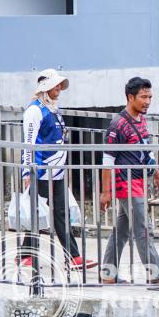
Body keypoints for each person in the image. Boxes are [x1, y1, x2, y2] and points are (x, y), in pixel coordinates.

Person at [19, 69, 96, 272]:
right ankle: (31, 255)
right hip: (41, 171)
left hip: (57, 172)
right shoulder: (35, 111)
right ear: (46, 87)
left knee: (59, 212)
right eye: (55, 86)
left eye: (59, 85)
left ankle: (69, 257)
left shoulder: (53, 109)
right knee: (40, 213)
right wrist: (27, 172)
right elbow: (28, 142)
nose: (59, 89)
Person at [99, 77, 159, 284]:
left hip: (138, 181)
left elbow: (147, 150)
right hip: (126, 184)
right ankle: (157, 277)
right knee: (144, 231)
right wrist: (106, 192)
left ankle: (108, 275)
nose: (147, 101)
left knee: (121, 232)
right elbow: (107, 160)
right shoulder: (118, 125)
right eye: (143, 97)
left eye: (150, 97)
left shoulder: (141, 119)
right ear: (130, 97)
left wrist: (158, 175)